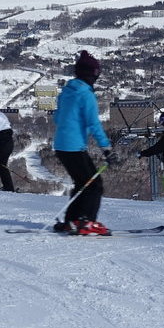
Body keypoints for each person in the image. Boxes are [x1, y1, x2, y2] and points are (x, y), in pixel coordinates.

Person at [51, 51, 115, 235]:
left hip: (62, 145)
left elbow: (57, 117)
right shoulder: (86, 95)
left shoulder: (66, 91)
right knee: (94, 184)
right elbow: (93, 123)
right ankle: (86, 221)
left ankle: (71, 220)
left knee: (82, 183)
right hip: (73, 146)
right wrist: (106, 149)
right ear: (92, 74)